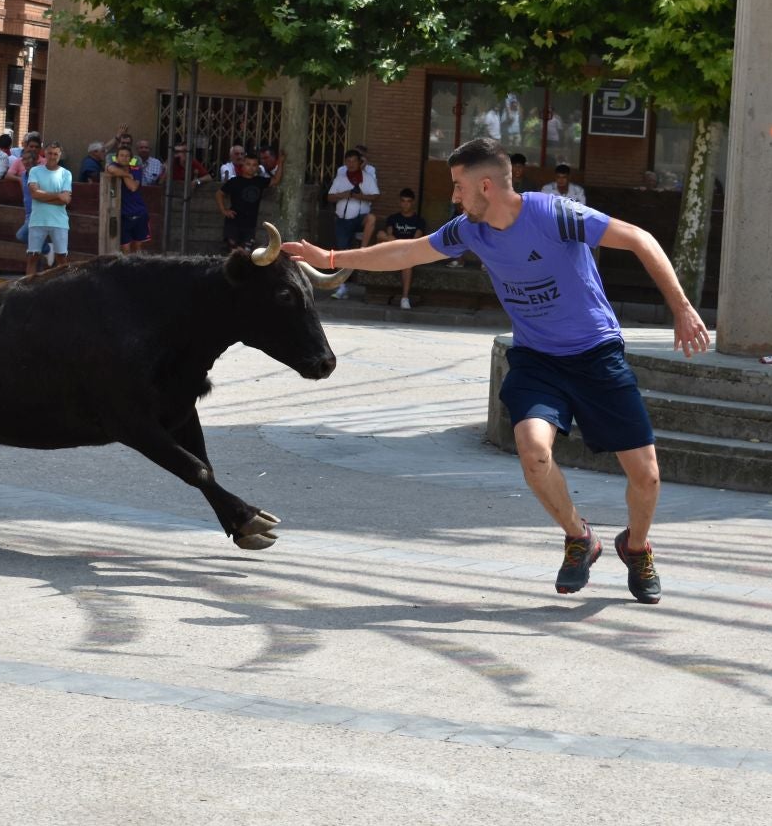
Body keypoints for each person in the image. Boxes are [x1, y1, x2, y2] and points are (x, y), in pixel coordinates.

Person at [287, 138, 708, 603]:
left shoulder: (555, 215)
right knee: (534, 452)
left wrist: (682, 308)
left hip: (596, 353)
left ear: (485, 185)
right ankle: (579, 538)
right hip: (537, 358)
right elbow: (405, 253)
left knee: (647, 476)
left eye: (458, 186)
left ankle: (637, 546)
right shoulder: (471, 230)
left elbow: (640, 239)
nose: (453, 196)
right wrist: (330, 258)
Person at [326, 147, 379, 298]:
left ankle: (363, 251)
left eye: (354, 161)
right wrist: (343, 195)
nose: (351, 164)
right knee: (341, 253)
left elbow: (375, 196)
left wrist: (360, 197)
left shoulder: (368, 177)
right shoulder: (340, 178)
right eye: (348, 161)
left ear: (359, 162)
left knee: (371, 218)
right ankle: (342, 287)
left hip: (359, 218)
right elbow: (329, 197)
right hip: (343, 219)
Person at [375, 187, 429, 309]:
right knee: (380, 234)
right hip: (394, 250)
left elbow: (415, 240)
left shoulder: (419, 221)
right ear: (399, 202)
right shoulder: (393, 218)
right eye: (403, 201)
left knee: (407, 262)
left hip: (409, 251)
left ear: (412, 202)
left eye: (408, 201)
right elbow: (388, 236)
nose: (405, 204)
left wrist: (398, 243)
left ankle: (404, 298)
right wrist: (394, 242)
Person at [25, 142, 73, 276]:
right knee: (32, 256)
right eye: (50, 153)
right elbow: (34, 194)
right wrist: (57, 195)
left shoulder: (66, 173)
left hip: (59, 221)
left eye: (55, 154)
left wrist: (43, 196)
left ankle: (64, 286)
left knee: (62, 258)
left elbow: (66, 199)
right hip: (38, 220)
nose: (52, 156)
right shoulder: (35, 170)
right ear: (45, 153)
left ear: (60, 155)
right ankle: (28, 286)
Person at [217, 152, 272, 251]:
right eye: (248, 164)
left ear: (258, 167)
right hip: (234, 221)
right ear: (243, 165)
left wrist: (281, 163)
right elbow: (219, 194)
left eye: (254, 165)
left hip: (250, 224)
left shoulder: (259, 181)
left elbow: (276, 180)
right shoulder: (234, 181)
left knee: (246, 252)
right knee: (232, 250)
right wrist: (223, 210)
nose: (251, 167)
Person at [106, 143, 151, 253]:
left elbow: (133, 187)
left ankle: (138, 264)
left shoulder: (136, 169)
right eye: (121, 155)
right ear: (117, 157)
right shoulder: (113, 165)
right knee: (125, 248)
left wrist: (123, 174)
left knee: (138, 247)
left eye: (127, 156)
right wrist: (127, 175)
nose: (124, 158)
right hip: (124, 214)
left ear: (131, 158)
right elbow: (110, 169)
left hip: (139, 212)